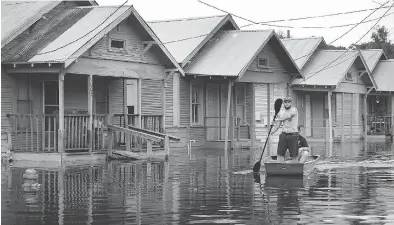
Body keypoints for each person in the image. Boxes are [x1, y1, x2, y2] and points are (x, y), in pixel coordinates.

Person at [270, 96, 299, 163]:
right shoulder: (281, 112)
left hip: (293, 135)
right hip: (284, 135)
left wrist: (276, 119)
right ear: (283, 103)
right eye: (285, 102)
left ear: (291, 103)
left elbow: (287, 116)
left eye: (288, 102)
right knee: (280, 153)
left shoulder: (294, 110)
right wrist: (271, 133)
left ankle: (294, 167)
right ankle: (279, 166)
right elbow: (277, 125)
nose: (287, 104)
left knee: (294, 154)